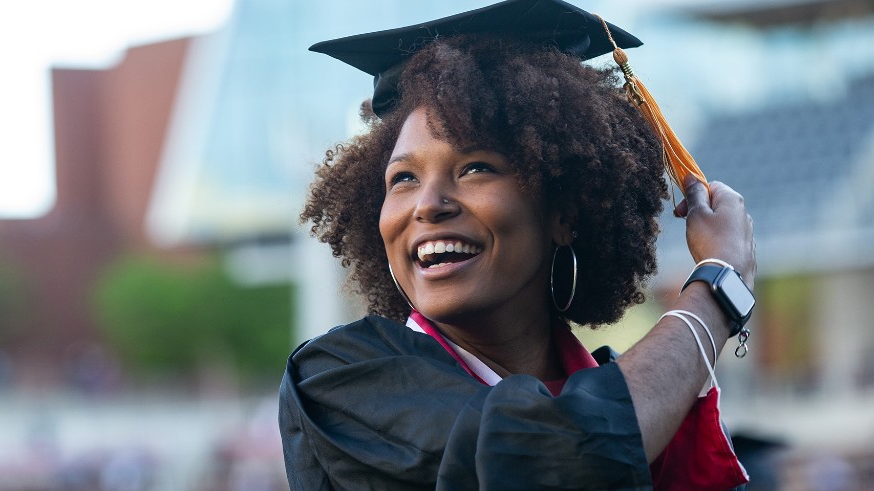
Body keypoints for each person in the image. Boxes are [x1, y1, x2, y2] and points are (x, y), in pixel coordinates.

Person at [280, 0, 757, 489]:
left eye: (475, 168)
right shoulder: (343, 379)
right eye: (402, 178)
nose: (427, 205)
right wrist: (718, 287)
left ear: (563, 215)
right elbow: (556, 456)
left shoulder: (647, 394)